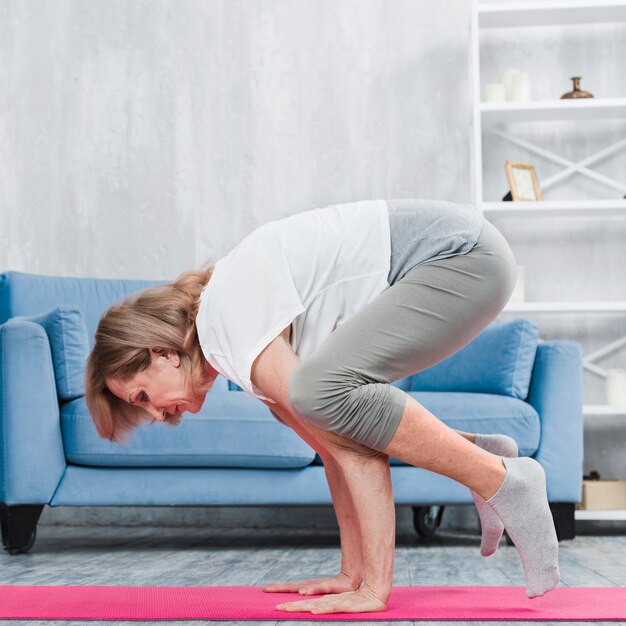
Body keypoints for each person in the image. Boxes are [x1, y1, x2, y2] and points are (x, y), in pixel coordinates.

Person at [85, 198, 560, 615]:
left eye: (142, 397)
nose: (156, 415)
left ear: (162, 354)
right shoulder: (240, 351)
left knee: (320, 397)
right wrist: (349, 575)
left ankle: (502, 478)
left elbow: (357, 450)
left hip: (462, 257)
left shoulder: (224, 321)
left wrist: (375, 590)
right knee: (322, 405)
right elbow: (336, 453)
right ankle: (484, 453)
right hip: (463, 258)